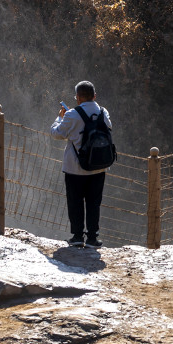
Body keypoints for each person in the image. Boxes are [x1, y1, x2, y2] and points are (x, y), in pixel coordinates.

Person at [51, 80, 112, 248]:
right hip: (99, 166)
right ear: (94, 96)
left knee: (75, 201)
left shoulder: (71, 114)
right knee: (94, 202)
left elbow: (56, 133)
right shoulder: (103, 112)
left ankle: (77, 236)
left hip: (75, 168)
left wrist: (60, 117)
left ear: (77, 97)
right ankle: (93, 238)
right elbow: (108, 128)